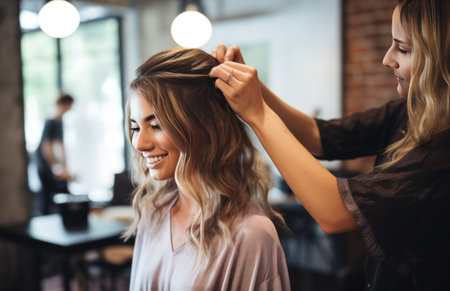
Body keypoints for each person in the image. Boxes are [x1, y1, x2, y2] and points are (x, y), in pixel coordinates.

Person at [209, 0, 450, 290]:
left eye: (403, 49)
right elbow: (320, 136)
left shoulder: (443, 153)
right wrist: (255, 88)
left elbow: (335, 213)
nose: (387, 59)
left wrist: (257, 115)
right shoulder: (411, 110)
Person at [123, 47, 291, 290]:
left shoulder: (251, 233)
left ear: (204, 125)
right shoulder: (154, 212)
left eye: (157, 125)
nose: (139, 144)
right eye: (136, 127)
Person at [36, 93, 74, 215]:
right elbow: (47, 147)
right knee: (46, 198)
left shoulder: (59, 122)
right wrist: (55, 167)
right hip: (44, 165)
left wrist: (65, 167)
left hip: (52, 165)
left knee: (62, 191)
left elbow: (60, 145)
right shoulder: (51, 121)